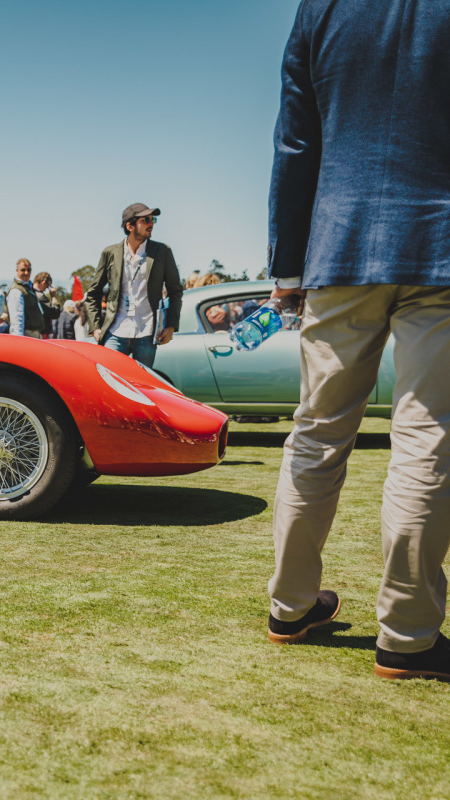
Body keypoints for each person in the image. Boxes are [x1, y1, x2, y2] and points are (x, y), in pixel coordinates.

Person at [265, 0, 450, 681]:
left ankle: (290, 605)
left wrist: (287, 263)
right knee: (427, 435)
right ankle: (407, 636)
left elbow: (295, 141)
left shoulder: (322, 8)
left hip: (338, 245)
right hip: (440, 246)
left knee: (315, 433)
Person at [82, 203, 182, 367]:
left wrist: (171, 326)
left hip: (147, 332)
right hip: (115, 331)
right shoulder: (111, 253)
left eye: (153, 219)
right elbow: (93, 293)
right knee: (110, 381)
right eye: (146, 220)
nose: (151, 224)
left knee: (142, 385)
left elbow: (175, 291)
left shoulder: (162, 251)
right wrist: (95, 328)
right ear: (130, 226)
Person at [6, 259, 43, 337]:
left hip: (35, 334)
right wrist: (19, 340)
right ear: (17, 270)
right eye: (23, 270)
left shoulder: (28, 288)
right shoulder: (16, 290)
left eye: (29, 270)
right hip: (26, 335)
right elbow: (16, 319)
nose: (26, 273)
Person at [33, 270, 60, 338]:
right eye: (47, 286)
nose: (46, 290)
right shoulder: (40, 296)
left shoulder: (31, 293)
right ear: (44, 282)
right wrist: (53, 297)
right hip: (42, 333)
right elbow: (55, 313)